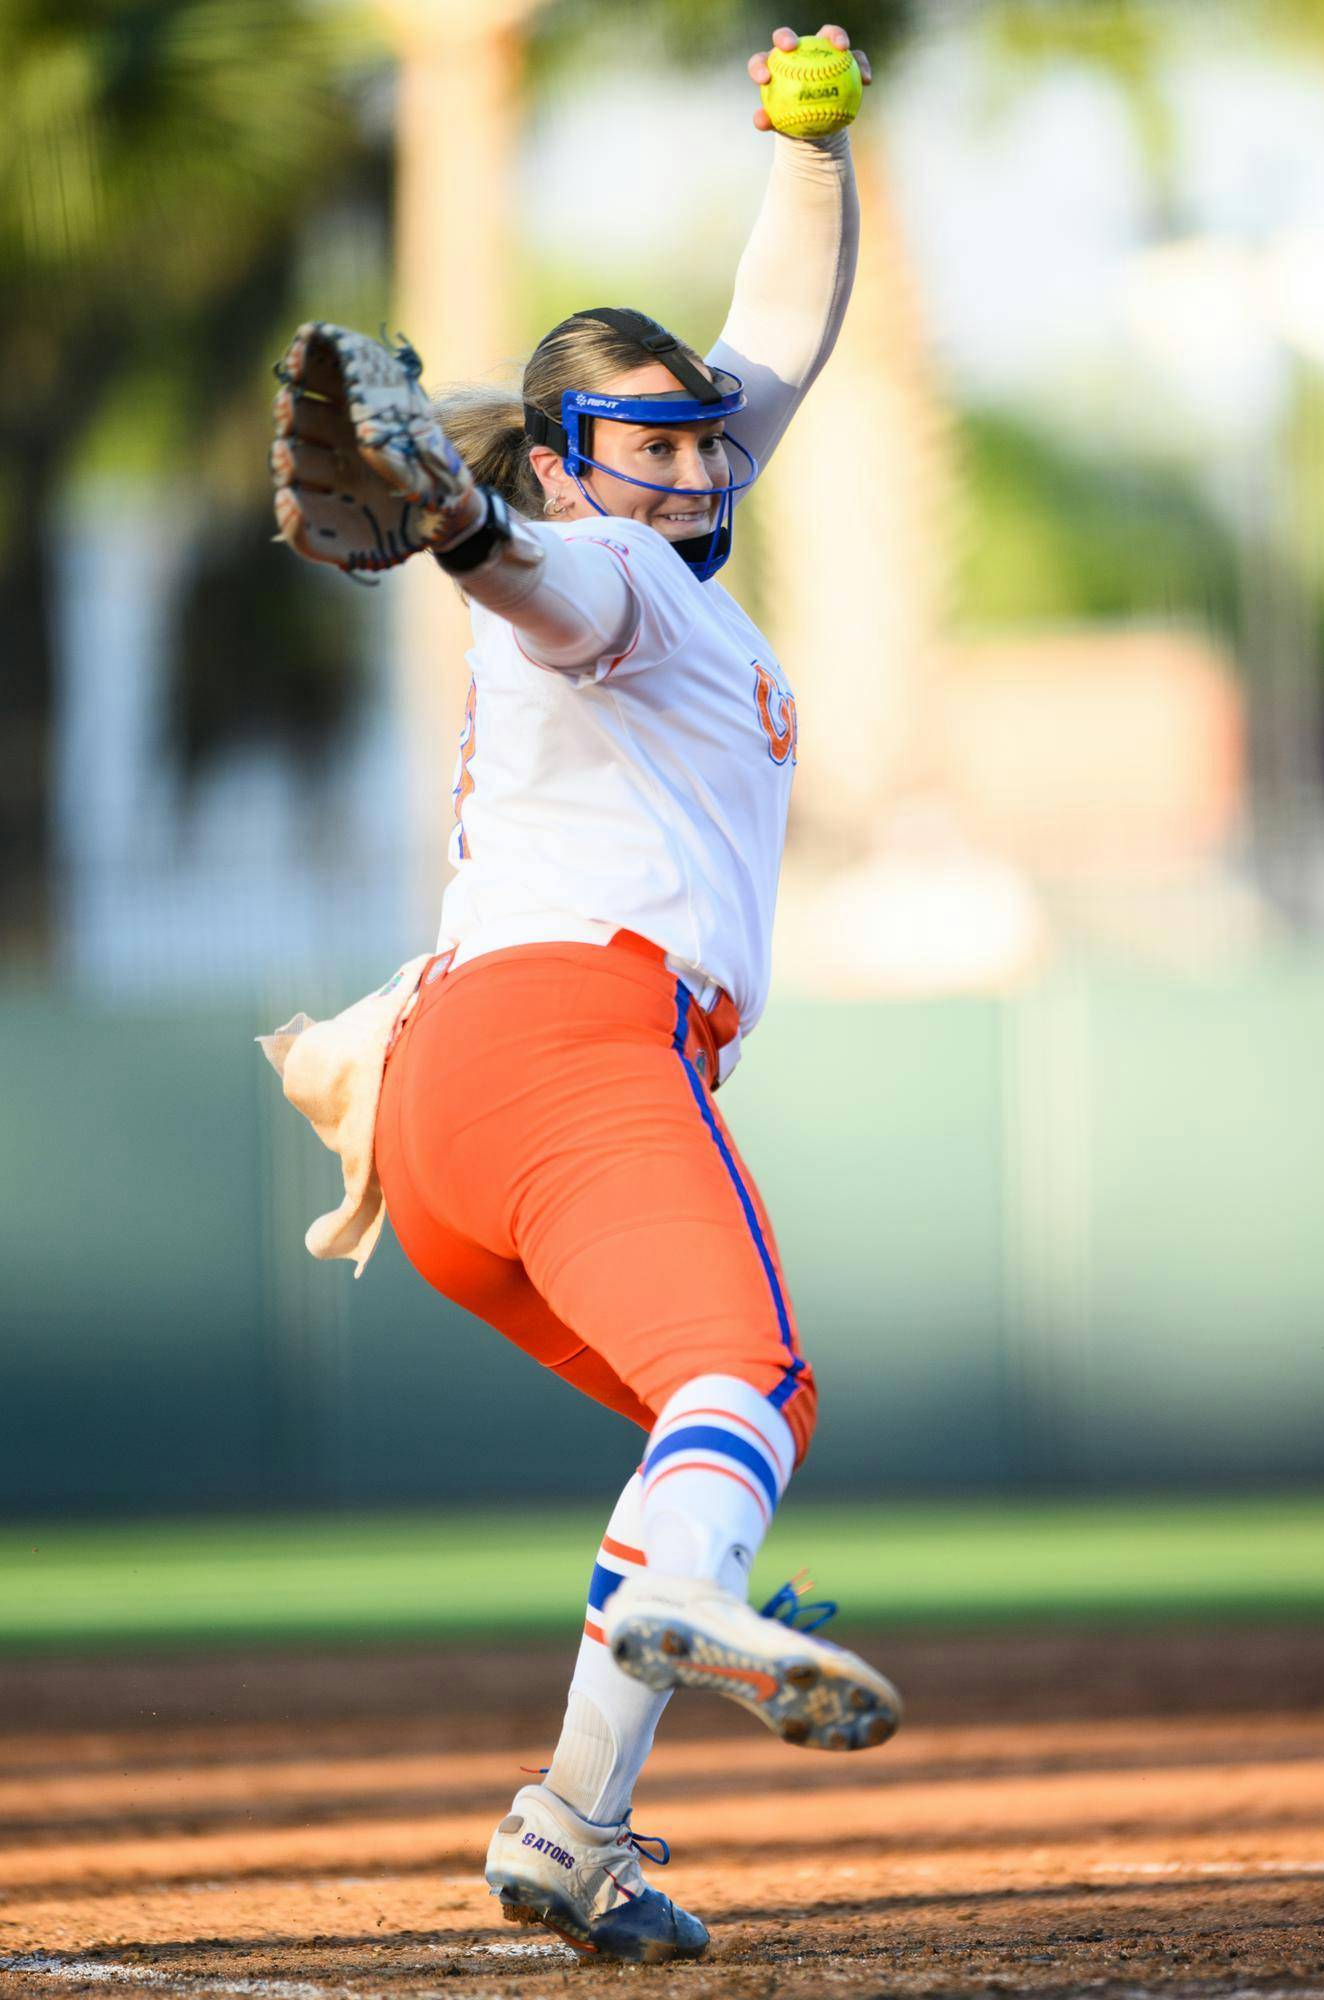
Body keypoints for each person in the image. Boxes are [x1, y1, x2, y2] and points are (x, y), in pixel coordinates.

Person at [282, 23, 897, 1966]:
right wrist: (463, 526)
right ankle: (687, 1619)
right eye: (657, 438)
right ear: (562, 459)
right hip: (572, 1047)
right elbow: (532, 575)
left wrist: (805, 154)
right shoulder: (601, 572)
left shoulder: (662, 550)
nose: (701, 456)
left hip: (455, 1107)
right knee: (755, 1384)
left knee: (692, 1469)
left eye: (702, 433)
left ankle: (573, 1827)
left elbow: (770, 344)